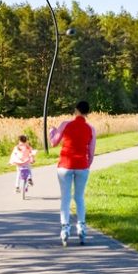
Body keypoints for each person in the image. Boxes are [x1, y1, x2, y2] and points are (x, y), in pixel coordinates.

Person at [48, 100, 96, 246]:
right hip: (81, 165)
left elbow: (54, 142)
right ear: (87, 113)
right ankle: (81, 227)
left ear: (75, 110)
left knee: (66, 198)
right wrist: (86, 165)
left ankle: (65, 228)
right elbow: (91, 152)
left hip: (65, 165)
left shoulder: (65, 124)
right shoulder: (91, 129)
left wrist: (51, 131)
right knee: (79, 197)